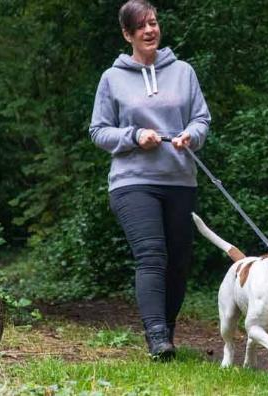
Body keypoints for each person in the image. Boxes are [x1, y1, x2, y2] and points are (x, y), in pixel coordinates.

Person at [88, 0, 210, 360]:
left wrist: (191, 135)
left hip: (180, 179)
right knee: (152, 254)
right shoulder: (112, 79)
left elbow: (201, 119)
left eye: (153, 23)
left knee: (179, 260)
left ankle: (167, 332)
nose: (150, 31)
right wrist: (134, 136)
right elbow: (98, 131)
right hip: (132, 181)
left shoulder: (184, 71)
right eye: (141, 26)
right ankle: (156, 336)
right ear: (128, 34)